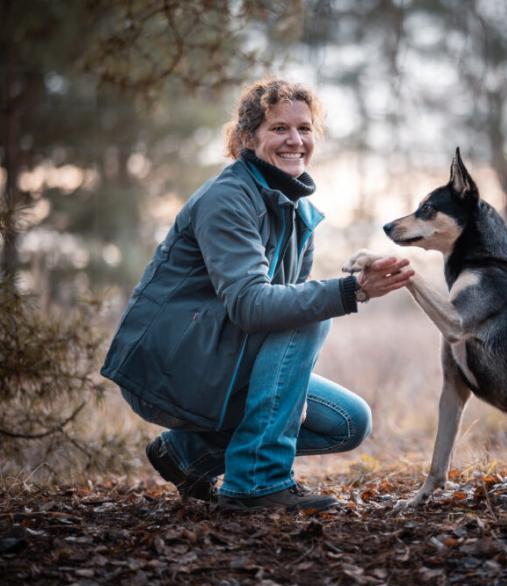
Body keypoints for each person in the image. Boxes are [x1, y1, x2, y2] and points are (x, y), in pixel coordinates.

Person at [101, 78, 413, 511]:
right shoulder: (227, 199)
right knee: (312, 310)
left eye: (304, 129)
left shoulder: (298, 209)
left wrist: (292, 392)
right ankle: (255, 484)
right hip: (175, 366)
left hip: (227, 355)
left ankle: (187, 454)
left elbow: (286, 309)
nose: (295, 140)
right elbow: (253, 306)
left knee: (348, 422)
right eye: (279, 128)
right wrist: (351, 291)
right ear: (248, 138)